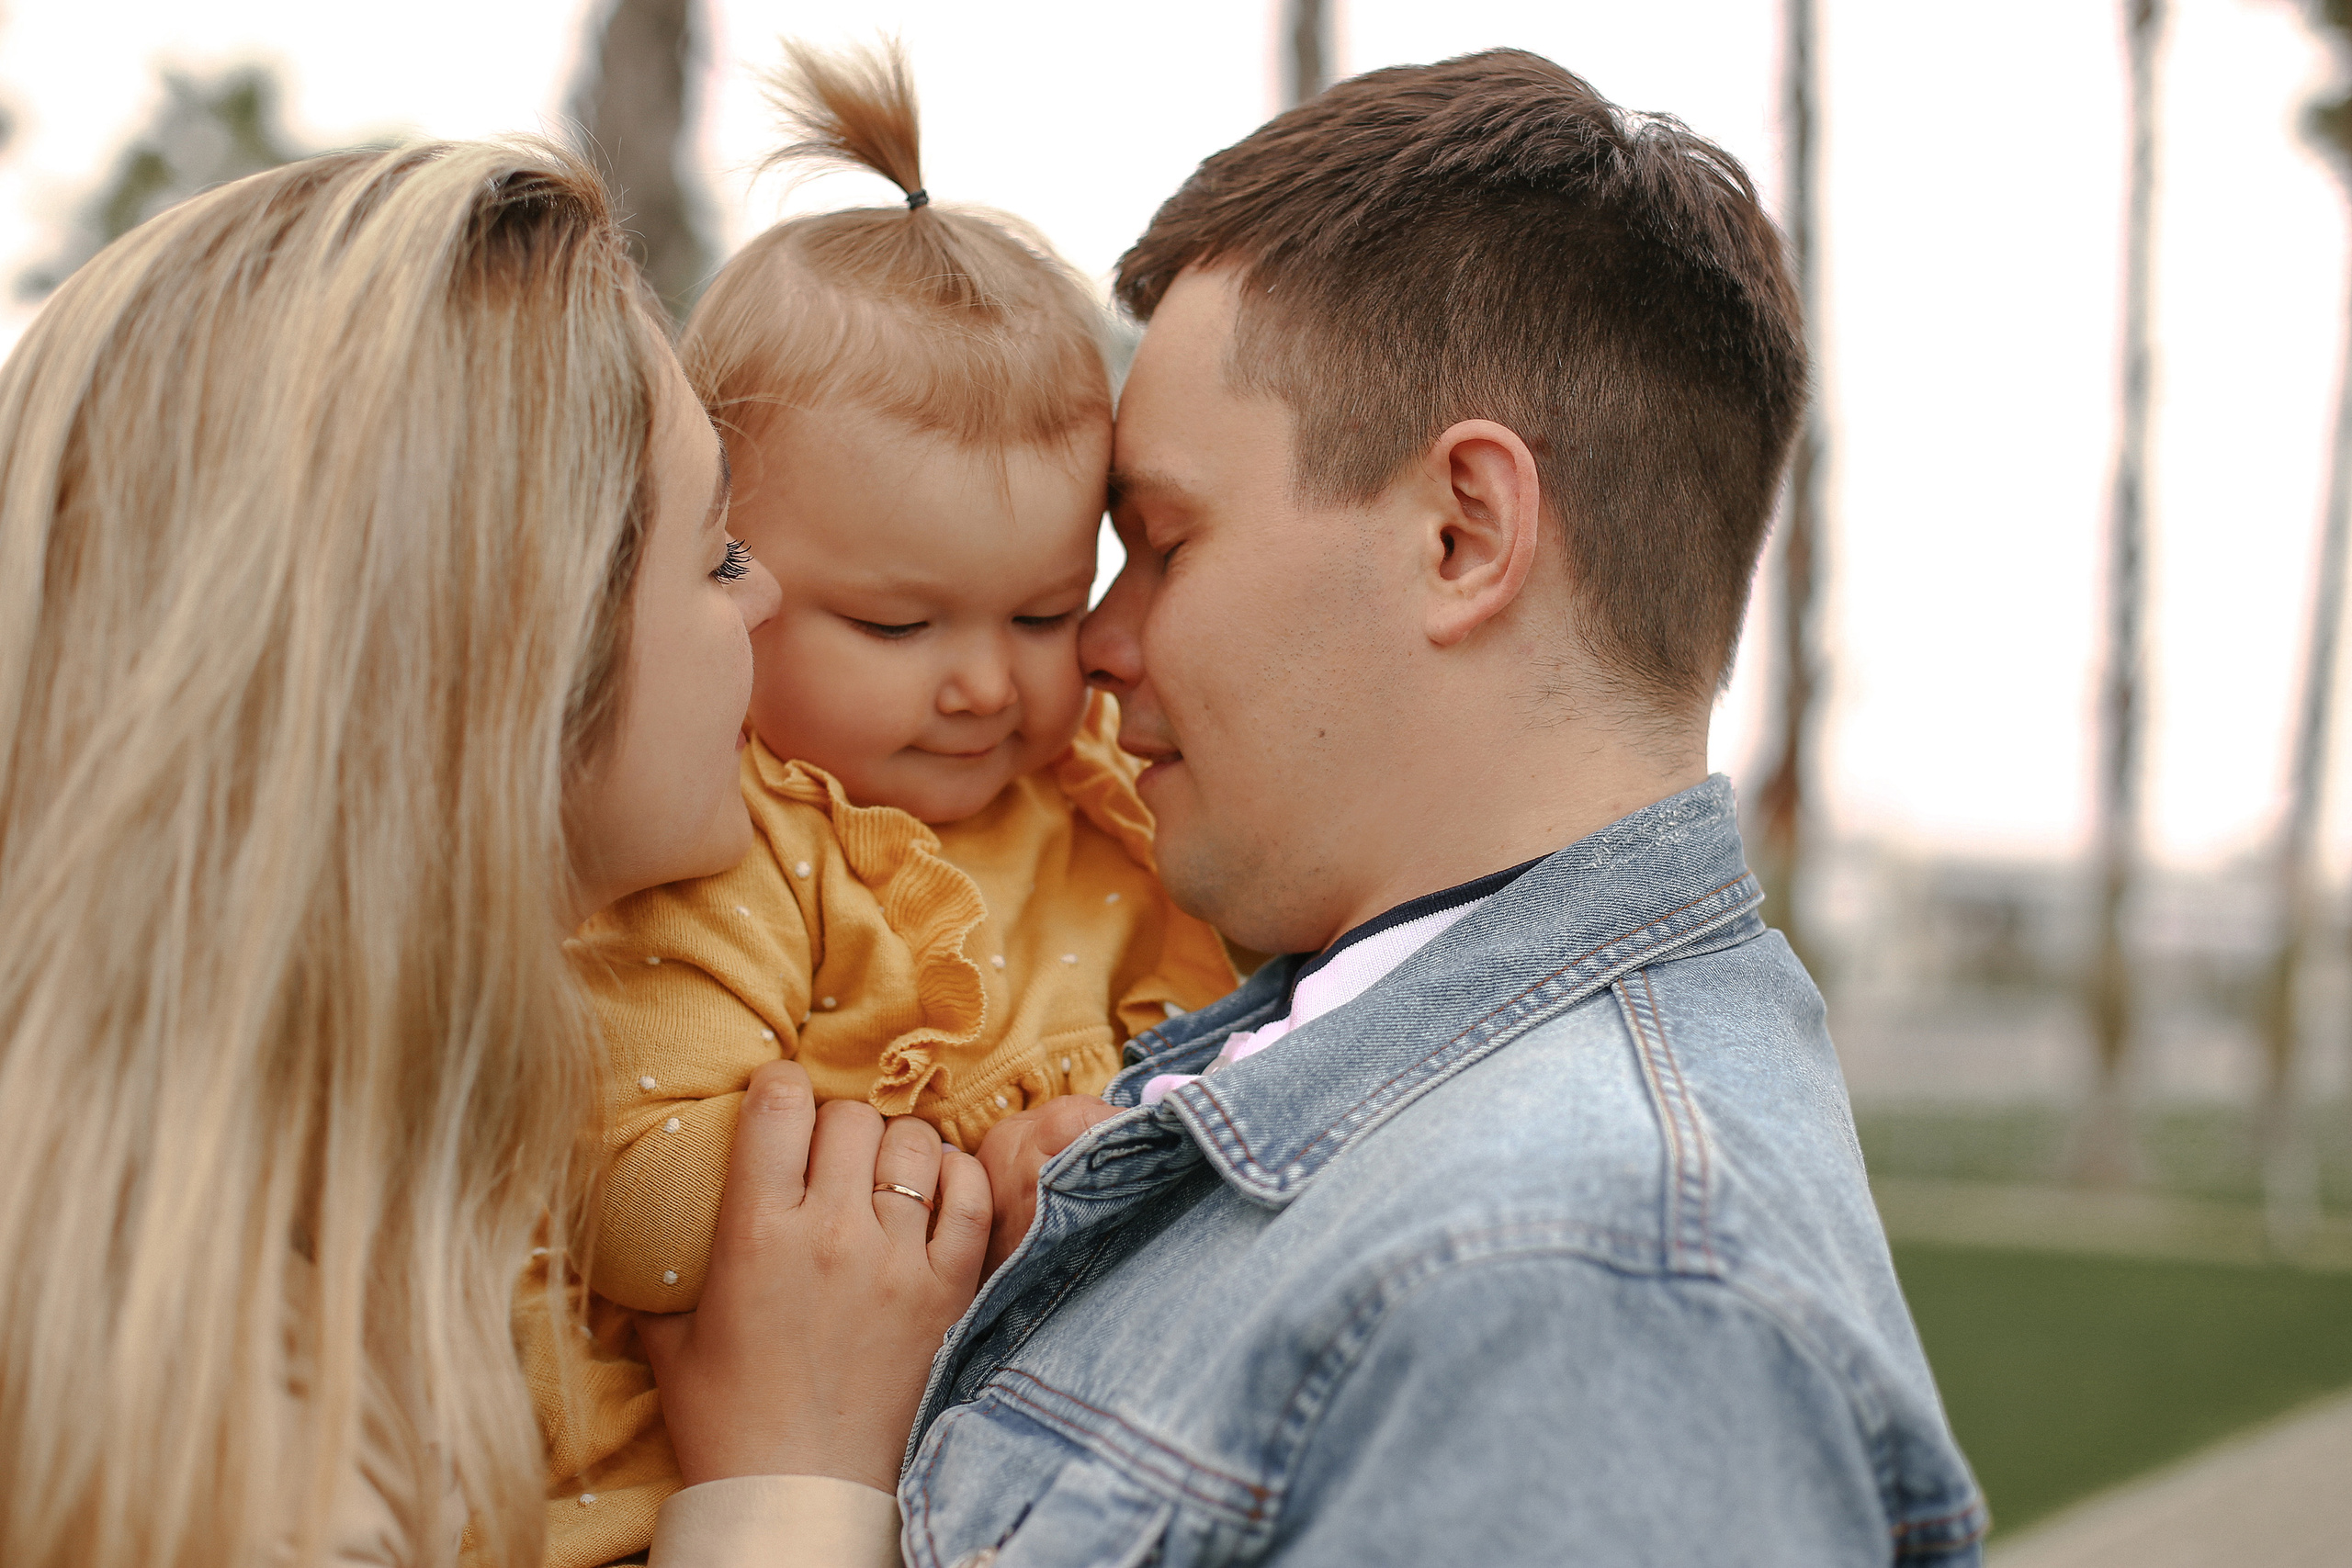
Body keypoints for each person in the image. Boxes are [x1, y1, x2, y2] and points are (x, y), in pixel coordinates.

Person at [663, 49, 1987, 1566]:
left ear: (1460, 534)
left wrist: (791, 1492)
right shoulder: (1388, 1111)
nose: (1095, 644)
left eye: (1162, 540)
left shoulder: (1582, 1293)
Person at [0, 141, 981, 1568]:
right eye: (714, 556)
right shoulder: (250, 1469)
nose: (764, 597)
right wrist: (792, 1472)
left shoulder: (293, 1238)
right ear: (503, 667)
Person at [525, 44, 1234, 1568]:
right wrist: (983, 1190)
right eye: (901, 630)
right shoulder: (732, 848)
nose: (985, 686)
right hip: (679, 1501)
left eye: (1043, 616)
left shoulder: (1095, 812)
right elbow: (638, 1207)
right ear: (734, 559)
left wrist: (1116, 1136)